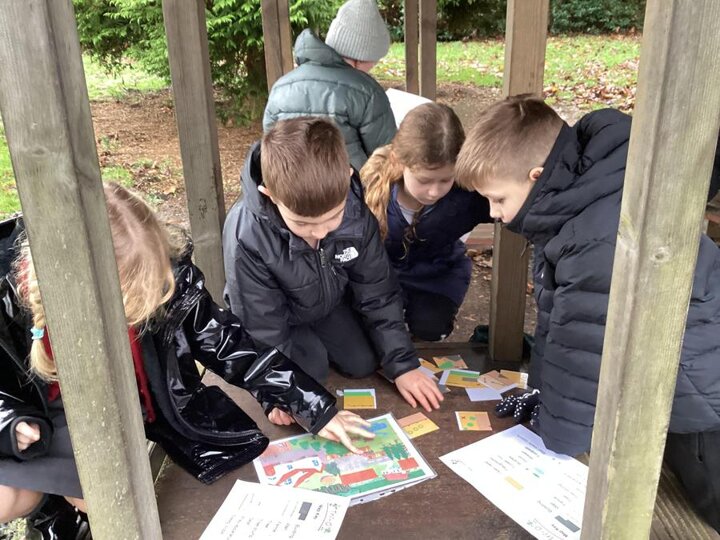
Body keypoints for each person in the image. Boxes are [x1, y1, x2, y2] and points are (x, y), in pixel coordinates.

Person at [0, 184, 373, 537]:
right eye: (132, 300)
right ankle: (54, 512)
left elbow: (229, 344)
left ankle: (70, 508)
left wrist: (312, 405)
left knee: (110, 504)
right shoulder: (8, 298)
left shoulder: (168, 274)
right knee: (19, 498)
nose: (148, 305)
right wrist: (10, 422)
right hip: (47, 424)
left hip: (128, 415)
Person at [454, 94, 720, 531]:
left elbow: (579, 348)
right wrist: (543, 393)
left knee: (706, 498)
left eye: (497, 199)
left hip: (700, 389)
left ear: (536, 176)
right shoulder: (577, 197)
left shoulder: (592, 241)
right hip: (676, 367)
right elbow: (560, 320)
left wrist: (557, 430)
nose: (493, 213)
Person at [223, 117, 443, 427]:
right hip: (280, 318)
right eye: (302, 223)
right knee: (310, 372)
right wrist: (277, 395)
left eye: (332, 218)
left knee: (363, 362)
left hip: (326, 304)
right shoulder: (246, 235)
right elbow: (261, 326)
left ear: (346, 178)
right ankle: (304, 356)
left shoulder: (356, 212)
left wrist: (403, 364)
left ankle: (321, 345)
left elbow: (378, 291)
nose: (320, 233)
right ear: (270, 194)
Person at [360, 103, 492, 341]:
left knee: (430, 327)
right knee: (374, 330)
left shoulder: (466, 196)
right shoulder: (370, 188)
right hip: (382, 278)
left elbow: (513, 203)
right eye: (424, 180)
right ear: (398, 160)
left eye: (445, 180)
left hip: (437, 278)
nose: (434, 192)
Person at [263, 0, 396, 171]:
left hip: (288, 185)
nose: (373, 67)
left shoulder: (280, 88)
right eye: (373, 62)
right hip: (346, 185)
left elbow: (269, 149)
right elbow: (386, 158)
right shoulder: (367, 92)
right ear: (361, 57)